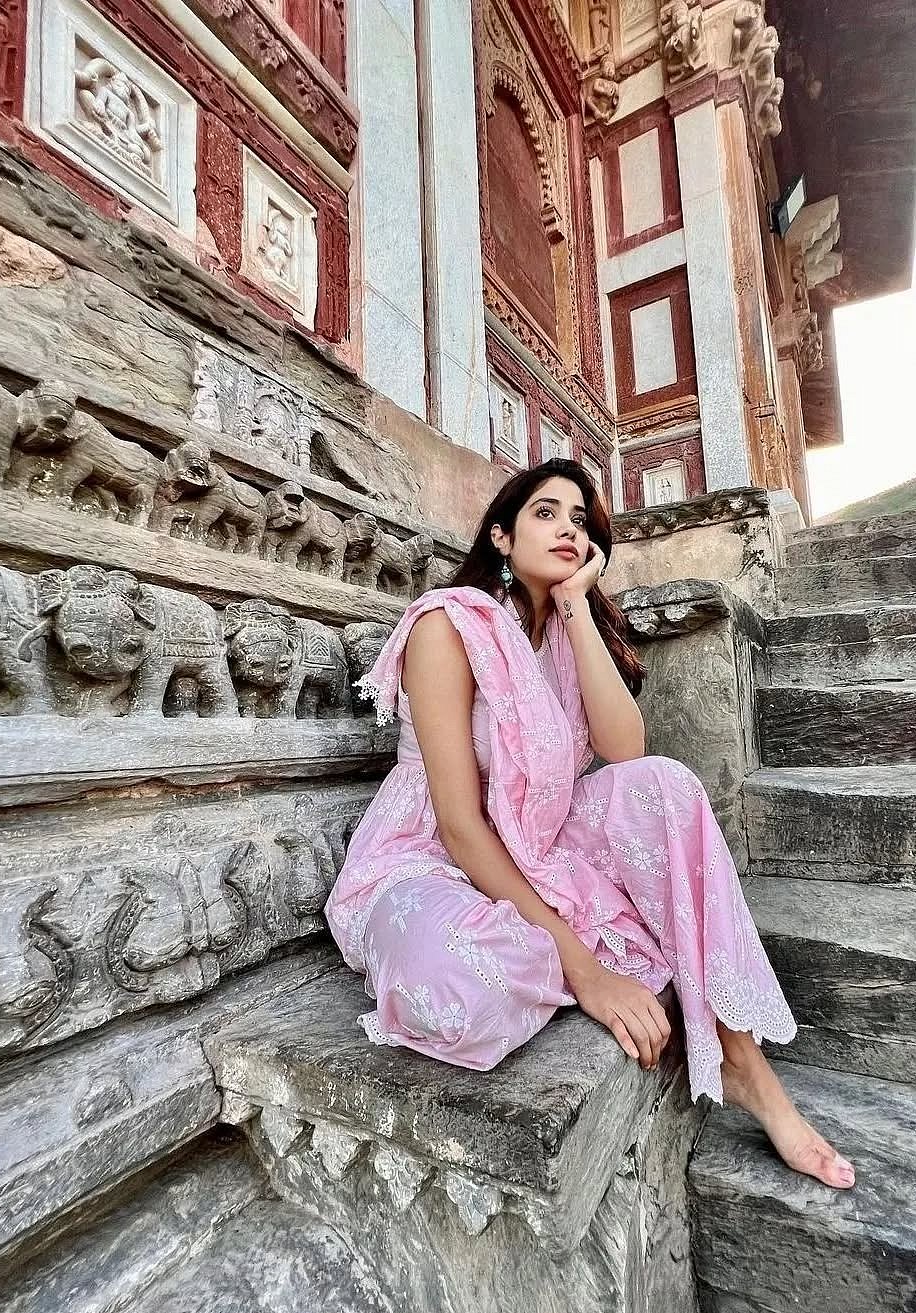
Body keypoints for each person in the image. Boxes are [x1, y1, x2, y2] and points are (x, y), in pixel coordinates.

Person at [325, 459, 855, 1190]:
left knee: (665, 786)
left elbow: (625, 749)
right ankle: (580, 951)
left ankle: (742, 1060)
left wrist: (576, 604)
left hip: (538, 843)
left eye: (581, 519)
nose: (569, 529)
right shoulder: (448, 625)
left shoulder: (570, 634)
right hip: (431, 855)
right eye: (547, 513)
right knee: (452, 988)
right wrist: (589, 969)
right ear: (501, 537)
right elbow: (457, 822)